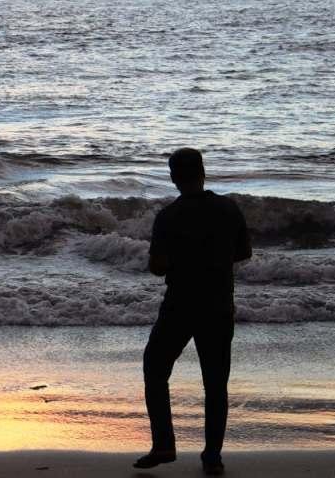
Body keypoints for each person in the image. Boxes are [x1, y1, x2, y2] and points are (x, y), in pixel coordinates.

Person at [135, 148, 252, 476]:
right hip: (219, 304)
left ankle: (164, 444)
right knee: (216, 383)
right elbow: (244, 252)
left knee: (155, 369)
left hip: (180, 305)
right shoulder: (229, 209)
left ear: (173, 177)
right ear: (203, 171)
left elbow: (157, 267)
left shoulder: (169, 217)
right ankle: (212, 455)